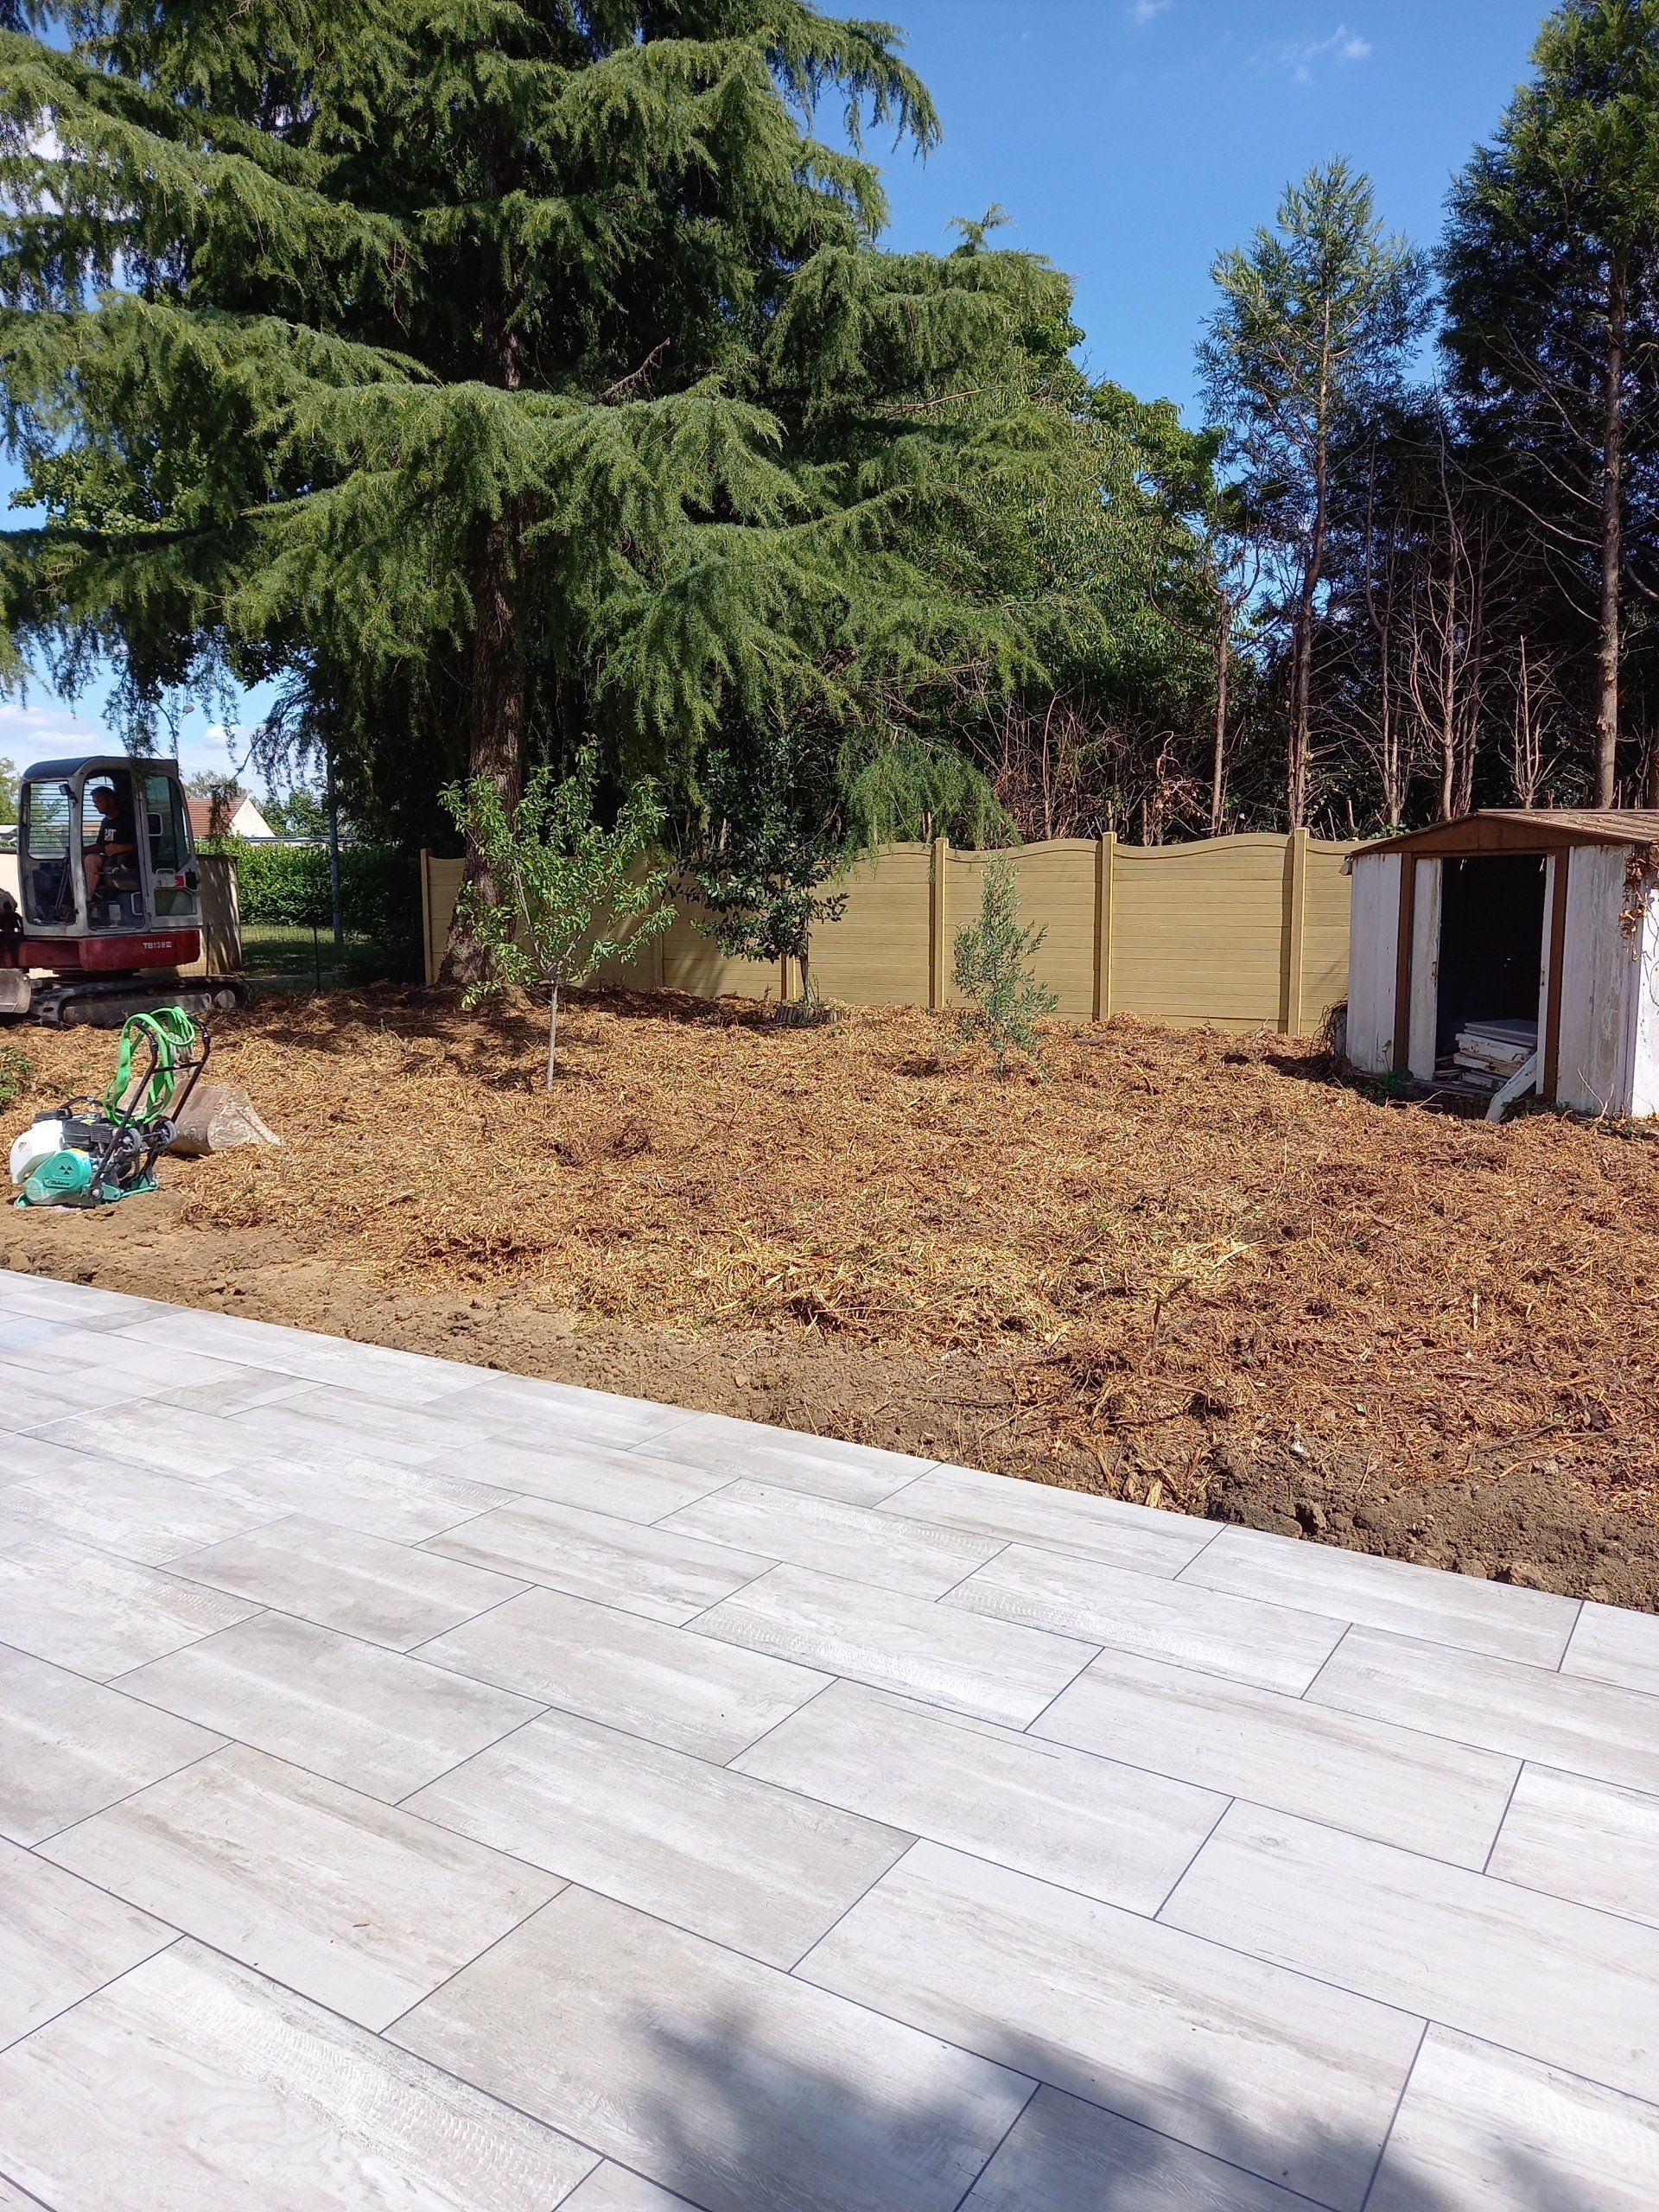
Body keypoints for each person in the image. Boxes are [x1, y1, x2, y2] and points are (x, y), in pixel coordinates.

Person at [84, 780, 139, 913]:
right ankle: (77, 895)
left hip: (126, 861)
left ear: (111, 800)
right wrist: (78, 850)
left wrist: (121, 848)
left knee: (91, 860)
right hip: (109, 860)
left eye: (100, 802)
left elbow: (142, 845)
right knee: (81, 858)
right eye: (95, 803)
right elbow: (100, 846)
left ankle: (88, 899)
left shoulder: (128, 820)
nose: (97, 806)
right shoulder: (105, 822)